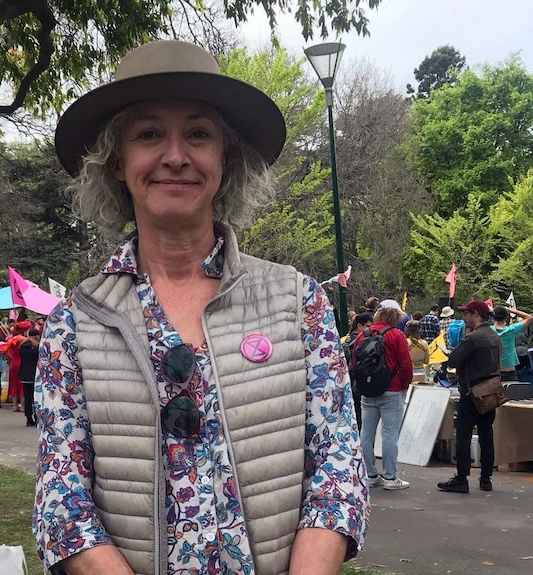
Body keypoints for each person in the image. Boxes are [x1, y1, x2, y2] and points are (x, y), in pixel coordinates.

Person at [33, 40, 368, 575]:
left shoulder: (298, 302)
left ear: (224, 156)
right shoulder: (76, 322)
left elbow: (337, 469)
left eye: (198, 133)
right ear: (117, 161)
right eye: (148, 134)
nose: (174, 156)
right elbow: (62, 506)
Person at [438, 300, 501, 494]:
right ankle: (485, 478)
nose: (464, 317)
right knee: (486, 434)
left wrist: (463, 342)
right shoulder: (493, 335)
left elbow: (454, 360)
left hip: (471, 390)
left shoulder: (474, 338)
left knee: (463, 435)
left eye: (466, 313)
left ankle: (461, 477)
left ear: (475, 314)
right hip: (490, 389)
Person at [351, 303, 413, 491]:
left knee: (366, 434)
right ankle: (390, 477)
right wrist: (404, 386)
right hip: (391, 390)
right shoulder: (396, 335)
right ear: (396, 316)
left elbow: (354, 361)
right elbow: (405, 364)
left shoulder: (364, 334)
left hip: (368, 391)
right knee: (389, 434)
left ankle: (370, 474)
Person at [490, 306, 533, 380]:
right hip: (509, 370)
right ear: (506, 317)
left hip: (492, 371)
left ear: (493, 317)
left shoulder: (488, 330)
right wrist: (511, 310)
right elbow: (530, 318)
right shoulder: (511, 330)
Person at [18, 328, 40, 426]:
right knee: (36, 398)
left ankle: (28, 418)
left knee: (27, 397)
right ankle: (36, 417)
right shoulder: (37, 347)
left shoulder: (22, 346)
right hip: (35, 374)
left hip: (24, 373)